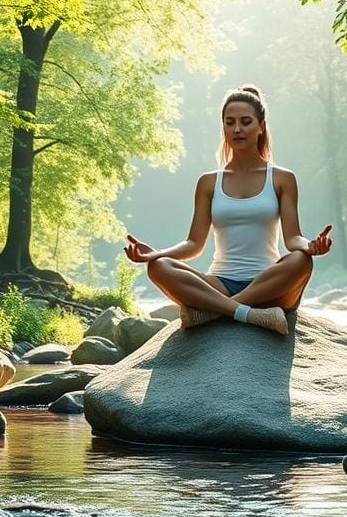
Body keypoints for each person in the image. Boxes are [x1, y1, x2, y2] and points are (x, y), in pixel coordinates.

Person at [124, 85, 332, 335]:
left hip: (268, 284)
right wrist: (156, 254)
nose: (237, 129)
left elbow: (292, 239)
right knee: (159, 267)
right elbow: (194, 243)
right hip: (218, 284)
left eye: (246, 122)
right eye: (229, 122)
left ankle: (214, 311)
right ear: (223, 127)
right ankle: (247, 313)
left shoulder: (282, 178)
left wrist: (310, 246)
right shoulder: (208, 182)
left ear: (261, 126)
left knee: (301, 260)